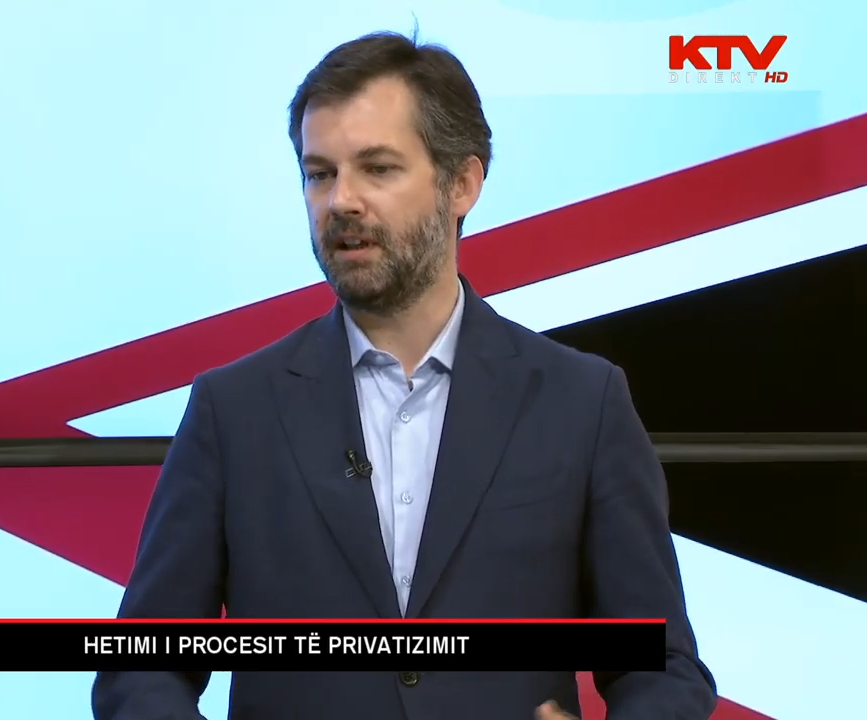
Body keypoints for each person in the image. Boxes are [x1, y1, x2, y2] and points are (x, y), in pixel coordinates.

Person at [92, 30, 716, 720]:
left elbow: (663, 669)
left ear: (462, 184)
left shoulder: (580, 403)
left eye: (378, 168)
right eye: (319, 173)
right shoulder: (233, 410)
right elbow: (141, 668)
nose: (341, 201)